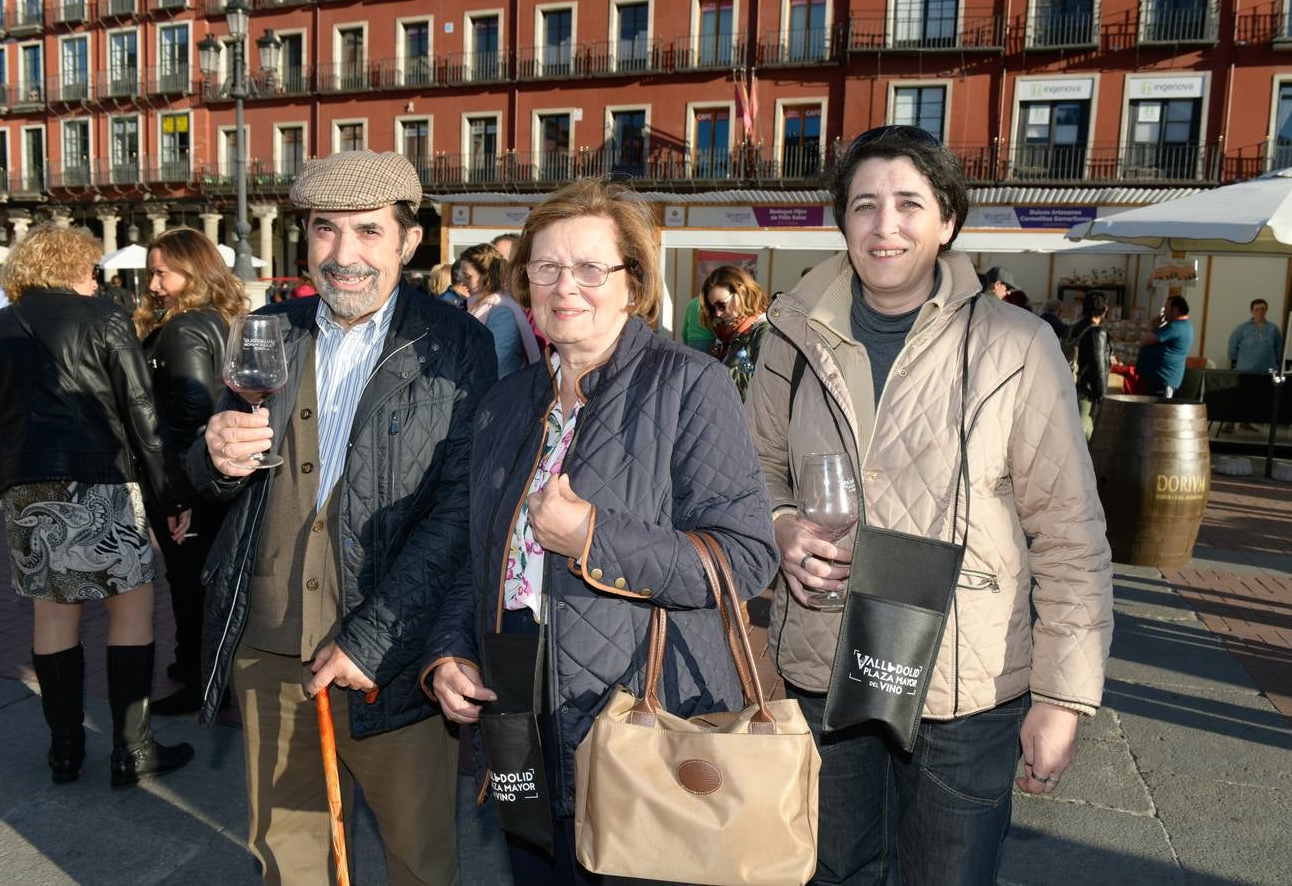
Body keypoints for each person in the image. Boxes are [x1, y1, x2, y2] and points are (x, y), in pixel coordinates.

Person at [744, 125, 1113, 884]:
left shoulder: (1018, 345)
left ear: (947, 220)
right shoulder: (790, 336)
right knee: (834, 871)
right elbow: (754, 474)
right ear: (842, 220)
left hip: (965, 687)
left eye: (910, 203)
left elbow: (1070, 532)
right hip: (825, 658)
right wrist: (779, 526)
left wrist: (1063, 698)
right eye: (865, 205)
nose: (886, 226)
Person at [424, 179, 779, 884]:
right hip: (518, 704)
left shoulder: (689, 386)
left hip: (640, 711)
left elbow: (745, 558)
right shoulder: (505, 404)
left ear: (633, 284)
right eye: (545, 267)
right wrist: (451, 650)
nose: (565, 287)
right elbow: (478, 554)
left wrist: (593, 536)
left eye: (591, 268)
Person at [187, 149, 496, 885]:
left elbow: (464, 511)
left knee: (419, 858)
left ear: (409, 242)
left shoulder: (456, 345)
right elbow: (210, 477)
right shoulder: (268, 330)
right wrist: (210, 458)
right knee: (287, 858)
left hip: (390, 655)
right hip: (269, 650)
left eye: (368, 233)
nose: (344, 255)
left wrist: (374, 637)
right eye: (326, 231)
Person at [0, 223, 195, 788]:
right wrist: (172, 494)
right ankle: (133, 749)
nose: (95, 278)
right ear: (76, 268)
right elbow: (142, 413)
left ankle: (65, 751)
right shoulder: (105, 317)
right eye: (91, 269)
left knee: (53, 616)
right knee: (131, 608)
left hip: (30, 491)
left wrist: (14, 445)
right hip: (102, 481)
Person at [133, 227, 250, 715]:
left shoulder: (183, 329)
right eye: (151, 274)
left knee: (188, 582)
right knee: (207, 578)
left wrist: (179, 496)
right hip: (216, 473)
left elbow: (190, 415)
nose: (154, 284)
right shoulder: (222, 319)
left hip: (190, 479)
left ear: (193, 271)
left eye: (162, 273)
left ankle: (203, 680)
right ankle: (203, 670)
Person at [460, 242, 542, 378]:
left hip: (499, 391)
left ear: (485, 276)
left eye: (468, 276)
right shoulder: (482, 306)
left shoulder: (503, 311)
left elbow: (493, 361)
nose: (463, 282)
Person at [700, 264, 770, 399]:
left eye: (721, 305)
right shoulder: (723, 337)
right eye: (712, 307)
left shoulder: (764, 332)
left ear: (742, 292)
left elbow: (757, 389)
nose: (718, 313)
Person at [1066, 290, 1113, 440]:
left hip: (1069, 384)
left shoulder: (1073, 327)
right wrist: (1101, 395)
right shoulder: (1097, 332)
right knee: (1084, 431)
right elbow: (1098, 367)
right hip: (1086, 390)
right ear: (1104, 309)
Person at [1136, 294, 1194, 398]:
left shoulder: (1175, 327)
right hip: (1158, 381)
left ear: (1175, 310)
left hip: (1162, 383)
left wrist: (1153, 326)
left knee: (1158, 413)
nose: (1164, 312)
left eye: (1166, 308)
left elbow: (1144, 341)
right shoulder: (1181, 326)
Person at [1228, 298, 1282, 373]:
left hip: (1269, 371)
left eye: (1263, 309)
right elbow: (1232, 348)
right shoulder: (1242, 328)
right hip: (1245, 371)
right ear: (1251, 311)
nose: (1260, 312)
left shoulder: (1274, 329)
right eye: (1257, 309)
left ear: (1266, 310)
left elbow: (1279, 348)